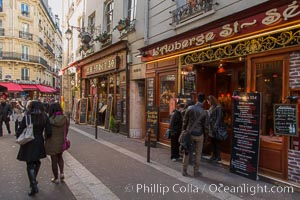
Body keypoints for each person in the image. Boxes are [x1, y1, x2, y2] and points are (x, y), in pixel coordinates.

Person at [16, 101, 52, 196]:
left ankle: (33, 184)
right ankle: (33, 182)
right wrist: (45, 138)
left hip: (28, 141)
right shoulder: (44, 117)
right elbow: (49, 131)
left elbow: (19, 130)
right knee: (37, 161)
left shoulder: (27, 116)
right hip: (39, 141)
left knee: (30, 163)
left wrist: (19, 137)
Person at [181, 93, 208, 177]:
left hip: (189, 133)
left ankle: (184, 170)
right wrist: (206, 137)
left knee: (187, 151)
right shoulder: (205, 112)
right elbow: (206, 126)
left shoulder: (190, 108)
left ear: (196, 99)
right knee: (198, 154)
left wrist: (184, 131)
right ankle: (196, 172)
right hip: (199, 134)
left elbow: (185, 121)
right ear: (204, 101)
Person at [45, 102, 69, 183]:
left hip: (52, 142)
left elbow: (46, 132)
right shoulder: (65, 118)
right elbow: (67, 129)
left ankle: (56, 178)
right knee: (60, 157)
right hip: (61, 141)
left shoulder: (49, 119)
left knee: (54, 160)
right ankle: (62, 173)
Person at [207, 95, 224, 162]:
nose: (208, 102)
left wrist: (215, 127)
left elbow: (219, 118)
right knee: (213, 142)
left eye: (208, 101)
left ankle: (218, 156)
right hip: (211, 127)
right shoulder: (211, 107)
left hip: (215, 128)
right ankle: (214, 155)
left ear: (211, 100)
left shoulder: (218, 107)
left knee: (217, 143)